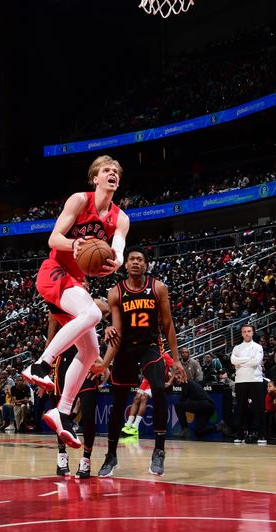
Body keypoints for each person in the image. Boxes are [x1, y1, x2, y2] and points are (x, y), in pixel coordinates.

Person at [22, 155, 130, 449]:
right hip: (54, 272)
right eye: (106, 170)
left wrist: (116, 262)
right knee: (94, 314)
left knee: (90, 350)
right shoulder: (79, 201)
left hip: (74, 285)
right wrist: (74, 244)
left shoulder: (121, 218)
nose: (112, 174)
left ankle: (63, 411)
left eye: (115, 171)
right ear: (95, 178)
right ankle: (41, 365)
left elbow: (118, 249)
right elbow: (53, 239)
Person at [96, 247, 186, 477]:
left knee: (158, 389)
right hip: (125, 349)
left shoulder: (158, 287)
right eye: (132, 259)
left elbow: (167, 324)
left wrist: (176, 359)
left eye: (140, 259)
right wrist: (105, 363)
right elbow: (117, 332)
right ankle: (111, 455)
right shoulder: (115, 293)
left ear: (146, 265)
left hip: (150, 347)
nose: (136, 262)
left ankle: (159, 450)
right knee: (118, 402)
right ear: (125, 265)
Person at [48, 299, 109, 478]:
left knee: (89, 414)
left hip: (87, 361)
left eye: (84, 282)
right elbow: (51, 340)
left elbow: (109, 311)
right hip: (63, 363)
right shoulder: (57, 306)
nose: (81, 283)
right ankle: (62, 455)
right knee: (61, 414)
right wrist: (44, 370)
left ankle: (86, 459)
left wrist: (104, 363)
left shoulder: (91, 303)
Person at [231, 324, 266, 444]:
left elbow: (256, 362)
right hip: (240, 380)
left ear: (252, 332)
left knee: (259, 408)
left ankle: (261, 434)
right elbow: (233, 361)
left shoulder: (258, 347)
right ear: (241, 333)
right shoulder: (237, 348)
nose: (247, 333)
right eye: (244, 331)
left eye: (249, 331)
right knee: (240, 408)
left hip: (255, 380)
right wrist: (248, 359)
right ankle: (240, 435)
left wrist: (240, 362)